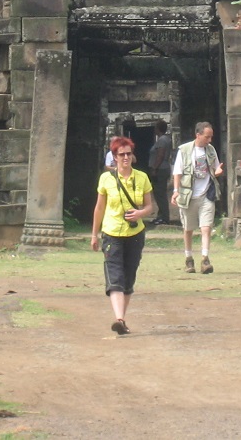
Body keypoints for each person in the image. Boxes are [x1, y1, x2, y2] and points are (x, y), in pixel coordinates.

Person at [90, 136, 153, 336]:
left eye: (128, 154)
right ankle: (119, 318)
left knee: (129, 277)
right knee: (115, 276)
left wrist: (140, 213)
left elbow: (150, 206)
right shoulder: (106, 179)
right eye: (121, 154)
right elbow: (99, 208)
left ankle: (122, 320)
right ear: (114, 157)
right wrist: (94, 234)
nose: (125, 157)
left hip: (135, 233)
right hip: (112, 232)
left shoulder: (141, 177)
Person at [172, 122, 224, 274]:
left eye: (211, 137)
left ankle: (205, 259)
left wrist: (218, 171)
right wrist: (176, 190)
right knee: (188, 229)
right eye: (207, 137)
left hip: (206, 194)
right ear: (198, 135)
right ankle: (189, 259)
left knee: (206, 228)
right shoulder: (185, 150)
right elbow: (178, 172)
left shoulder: (211, 150)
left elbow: (215, 169)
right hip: (188, 195)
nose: (209, 140)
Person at [148, 120, 174, 224]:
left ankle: (164, 217)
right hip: (162, 168)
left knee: (160, 194)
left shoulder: (162, 140)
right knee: (158, 193)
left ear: (158, 129)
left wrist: (154, 168)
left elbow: (160, 155)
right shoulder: (163, 139)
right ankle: (161, 215)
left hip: (160, 169)